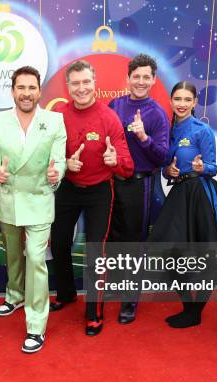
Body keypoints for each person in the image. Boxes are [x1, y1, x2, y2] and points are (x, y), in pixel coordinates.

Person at [0, 66, 66, 353]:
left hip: (40, 198)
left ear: (39, 91)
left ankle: (36, 325)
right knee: (14, 254)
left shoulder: (54, 121)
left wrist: (58, 175)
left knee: (35, 258)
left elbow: (59, 161)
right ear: (13, 91)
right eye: (21, 87)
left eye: (32, 87)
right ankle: (14, 293)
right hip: (9, 197)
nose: (26, 93)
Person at [149, 81, 217, 328]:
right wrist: (169, 171)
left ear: (194, 103)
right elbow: (167, 167)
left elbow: (212, 167)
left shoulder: (202, 130)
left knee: (205, 255)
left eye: (186, 99)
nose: (181, 104)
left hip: (200, 195)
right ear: (171, 101)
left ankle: (196, 312)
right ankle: (188, 307)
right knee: (171, 254)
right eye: (177, 99)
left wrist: (203, 168)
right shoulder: (167, 131)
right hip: (179, 194)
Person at [50, 60, 134, 336]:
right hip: (68, 188)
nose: (82, 88)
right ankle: (66, 293)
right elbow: (46, 157)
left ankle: (94, 313)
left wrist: (114, 160)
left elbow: (128, 165)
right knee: (59, 243)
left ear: (94, 83)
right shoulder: (58, 115)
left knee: (96, 252)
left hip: (99, 190)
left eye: (86, 82)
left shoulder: (109, 118)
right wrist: (63, 163)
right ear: (68, 87)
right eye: (76, 83)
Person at [108, 54, 170, 324]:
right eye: (137, 76)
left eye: (147, 77)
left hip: (140, 184)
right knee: (115, 239)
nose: (141, 81)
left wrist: (144, 137)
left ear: (154, 80)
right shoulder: (115, 104)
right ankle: (119, 286)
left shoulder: (157, 113)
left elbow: (163, 157)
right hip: (112, 184)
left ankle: (130, 300)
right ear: (128, 78)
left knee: (134, 242)